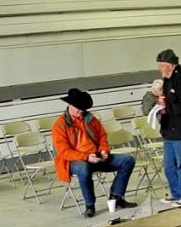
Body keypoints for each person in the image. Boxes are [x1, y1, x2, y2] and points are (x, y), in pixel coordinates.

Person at [51, 88, 137, 218]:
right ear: (69, 105)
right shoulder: (60, 125)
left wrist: (104, 151)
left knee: (127, 160)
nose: (81, 112)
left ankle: (116, 196)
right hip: (74, 160)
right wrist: (85, 157)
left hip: (95, 156)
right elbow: (63, 151)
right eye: (78, 109)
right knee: (84, 168)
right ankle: (90, 205)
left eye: (83, 109)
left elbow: (102, 136)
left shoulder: (91, 119)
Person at [155, 48, 181, 206]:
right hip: (168, 129)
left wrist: (168, 108)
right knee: (169, 165)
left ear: (170, 65)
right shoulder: (167, 79)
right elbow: (168, 99)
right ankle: (175, 192)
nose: (159, 70)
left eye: (161, 66)